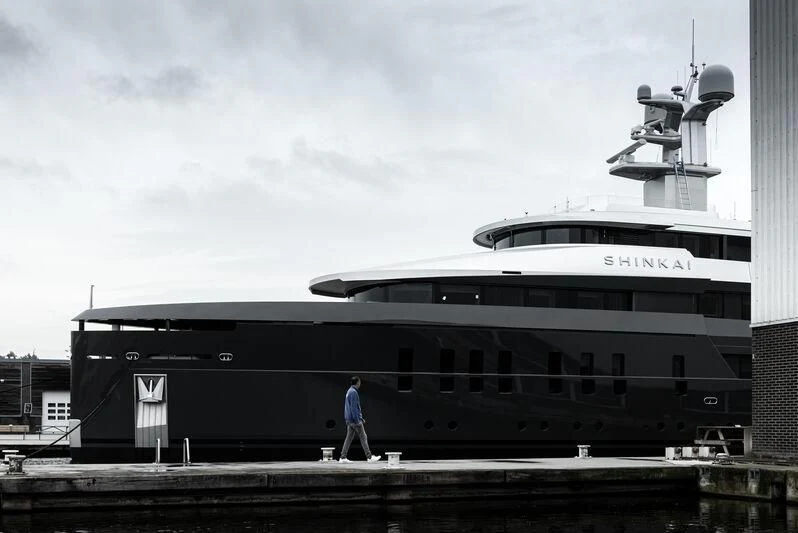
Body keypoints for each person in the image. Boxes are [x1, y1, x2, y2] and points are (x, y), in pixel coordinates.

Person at [339, 376, 381, 462]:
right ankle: (369, 457)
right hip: (354, 420)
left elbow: (348, 407)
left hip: (349, 420)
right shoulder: (354, 392)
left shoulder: (349, 391)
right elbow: (354, 408)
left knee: (349, 438)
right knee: (363, 437)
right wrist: (358, 420)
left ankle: (343, 457)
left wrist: (358, 418)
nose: (360, 383)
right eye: (360, 382)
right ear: (357, 383)